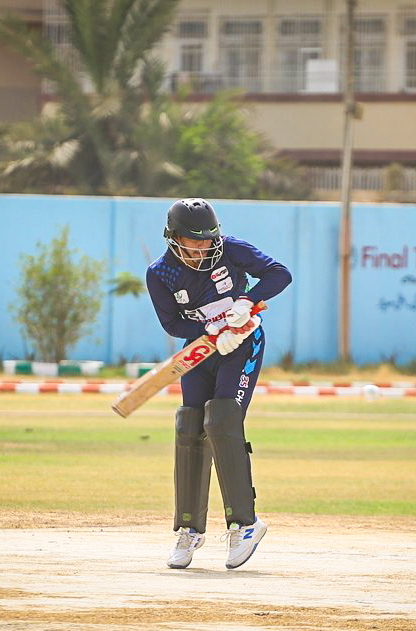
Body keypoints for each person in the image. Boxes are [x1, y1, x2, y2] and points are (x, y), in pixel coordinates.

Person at [146, 198, 291, 569]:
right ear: (174, 238)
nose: (204, 246)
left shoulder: (231, 250)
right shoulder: (160, 273)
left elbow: (279, 274)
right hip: (199, 350)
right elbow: (172, 324)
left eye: (209, 239)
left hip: (243, 343)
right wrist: (210, 331)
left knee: (222, 420)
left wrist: (246, 301)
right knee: (190, 426)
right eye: (195, 240)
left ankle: (246, 524)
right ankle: (189, 529)